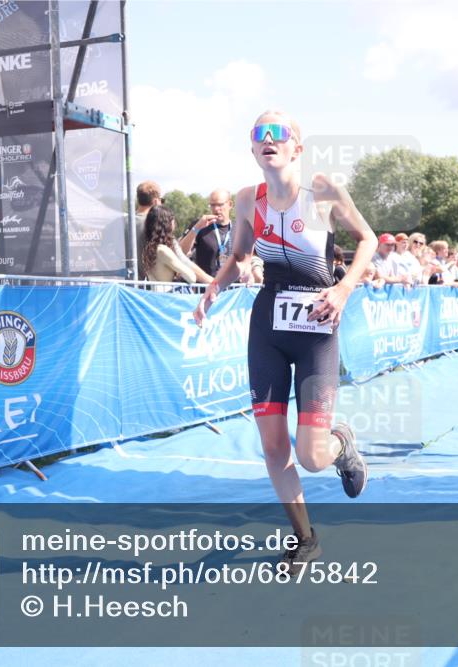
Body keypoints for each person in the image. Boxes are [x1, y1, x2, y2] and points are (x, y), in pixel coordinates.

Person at [193, 111, 376, 573]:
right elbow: (237, 256)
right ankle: (305, 537)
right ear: (253, 149)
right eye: (260, 134)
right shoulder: (246, 199)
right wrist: (213, 289)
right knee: (274, 448)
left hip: (316, 331)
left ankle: (340, 443)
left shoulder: (324, 191)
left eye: (280, 134)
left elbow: (368, 240)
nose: (269, 139)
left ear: (297, 147)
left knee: (311, 457)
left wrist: (343, 287)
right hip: (269, 329)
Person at [180, 188, 234, 279]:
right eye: (212, 205)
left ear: (230, 205)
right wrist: (196, 228)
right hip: (205, 288)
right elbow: (180, 252)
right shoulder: (200, 225)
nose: (216, 209)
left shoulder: (239, 228)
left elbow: (247, 259)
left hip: (232, 290)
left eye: (220, 204)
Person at [141, 205, 200, 284]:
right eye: (172, 219)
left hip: (155, 294)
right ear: (166, 223)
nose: (174, 223)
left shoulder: (148, 249)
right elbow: (192, 277)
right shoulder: (163, 250)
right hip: (167, 294)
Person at [135, 181, 163, 277]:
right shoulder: (156, 224)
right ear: (156, 201)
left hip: (124, 285)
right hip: (148, 287)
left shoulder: (122, 223)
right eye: (161, 200)